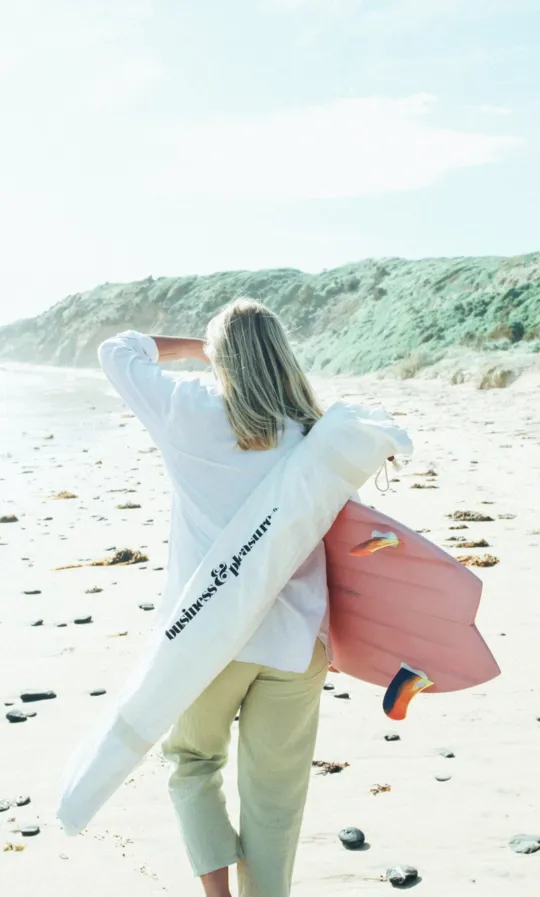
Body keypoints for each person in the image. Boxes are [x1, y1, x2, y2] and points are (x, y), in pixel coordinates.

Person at [97, 298, 330, 897]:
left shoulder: (188, 410)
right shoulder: (314, 431)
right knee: (276, 797)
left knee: (194, 763)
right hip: (297, 639)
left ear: (222, 358)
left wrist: (200, 347)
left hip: (208, 638)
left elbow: (117, 350)